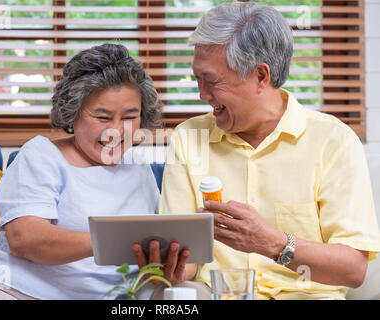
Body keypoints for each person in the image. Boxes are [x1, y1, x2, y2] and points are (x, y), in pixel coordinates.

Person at [134, 1, 380, 300]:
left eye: (210, 80)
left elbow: (353, 270)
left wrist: (273, 243)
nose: (201, 94)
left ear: (261, 76)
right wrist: (169, 268)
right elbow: (187, 264)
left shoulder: (334, 142)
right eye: (197, 78)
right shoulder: (190, 138)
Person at [0, 43, 164, 300]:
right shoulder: (42, 155)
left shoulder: (139, 168)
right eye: (102, 117)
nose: (116, 131)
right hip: (15, 292)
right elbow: (25, 239)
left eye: (129, 117)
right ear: (73, 113)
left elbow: (157, 244)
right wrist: (119, 240)